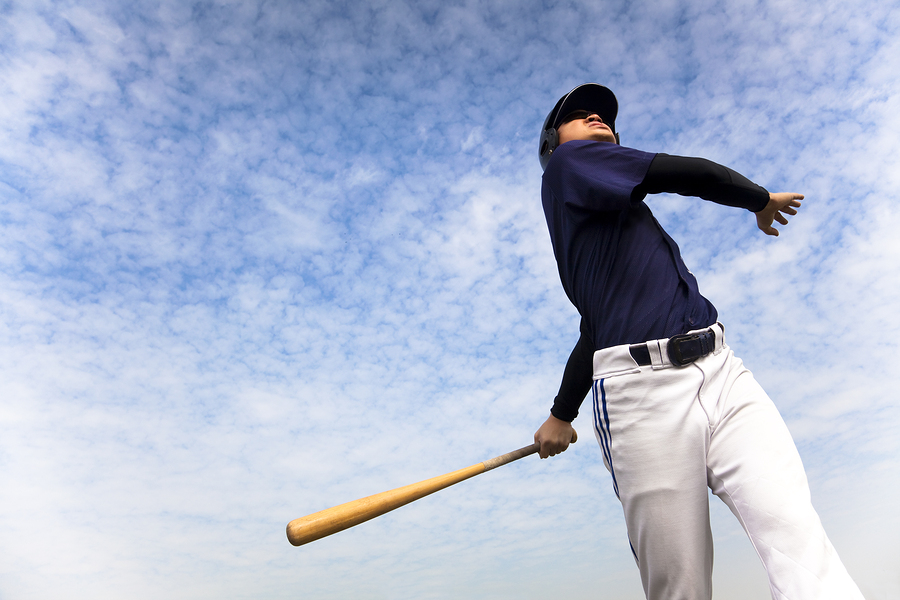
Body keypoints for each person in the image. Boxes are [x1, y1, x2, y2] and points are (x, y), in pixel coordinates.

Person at [532, 83, 864, 600]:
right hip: (641, 397)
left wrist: (561, 414)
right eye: (578, 116)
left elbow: (592, 326)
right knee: (680, 588)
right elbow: (688, 173)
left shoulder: (606, 220)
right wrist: (760, 199)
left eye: (604, 116)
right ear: (555, 143)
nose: (597, 116)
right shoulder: (567, 167)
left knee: (799, 542)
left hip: (723, 371)